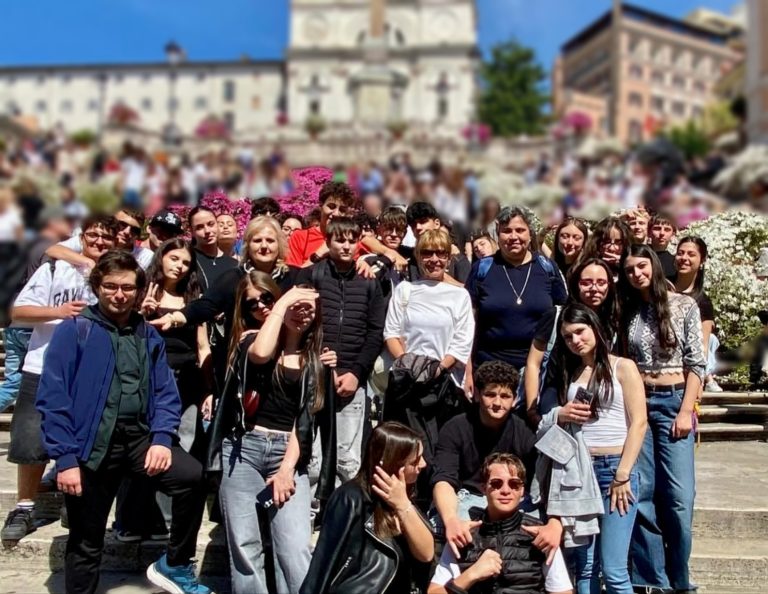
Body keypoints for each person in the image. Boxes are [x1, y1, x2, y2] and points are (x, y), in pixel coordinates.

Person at [34, 250, 210, 594]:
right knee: (86, 541)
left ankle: (174, 564)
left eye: (128, 288)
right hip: (91, 445)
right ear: (97, 287)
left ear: (139, 290)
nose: (119, 294)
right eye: (111, 286)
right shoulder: (75, 331)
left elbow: (165, 393)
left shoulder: (147, 335)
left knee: (192, 478)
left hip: (139, 439)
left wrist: (162, 438)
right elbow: (52, 399)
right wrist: (65, 459)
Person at [1, 214, 117, 547]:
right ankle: (24, 507)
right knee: (29, 440)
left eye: (105, 238)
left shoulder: (113, 275)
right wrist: (60, 312)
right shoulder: (54, 268)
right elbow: (17, 313)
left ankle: (72, 499)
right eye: (93, 235)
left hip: (88, 373)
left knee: (82, 440)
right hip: (43, 366)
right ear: (82, 236)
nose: (98, 242)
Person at [208, 276, 328, 593]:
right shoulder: (252, 340)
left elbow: (303, 423)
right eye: (295, 306)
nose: (302, 313)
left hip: (287, 454)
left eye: (309, 309)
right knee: (245, 546)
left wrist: (287, 469)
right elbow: (261, 352)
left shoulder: (316, 363)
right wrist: (284, 302)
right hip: (244, 449)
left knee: (294, 548)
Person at [622, 245, 705, 594]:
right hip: (640, 403)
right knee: (643, 494)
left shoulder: (684, 305)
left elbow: (697, 363)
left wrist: (687, 409)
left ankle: (680, 579)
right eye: (629, 269)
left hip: (673, 403)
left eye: (641, 266)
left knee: (679, 497)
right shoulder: (628, 310)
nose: (636, 273)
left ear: (654, 265)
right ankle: (651, 580)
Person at [549, 304, 647, 594]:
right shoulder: (573, 371)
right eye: (568, 337)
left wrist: (623, 474)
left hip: (616, 467)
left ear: (594, 328)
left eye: (580, 331)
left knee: (614, 568)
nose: (576, 340)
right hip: (580, 471)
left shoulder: (623, 366)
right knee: (586, 565)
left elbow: (639, 422)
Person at [431, 361, 566, 561]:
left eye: (505, 396)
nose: (497, 403)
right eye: (490, 394)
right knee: (441, 523)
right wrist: (451, 520)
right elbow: (443, 480)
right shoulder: (455, 428)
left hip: (512, 497)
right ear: (477, 394)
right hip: (467, 497)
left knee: (542, 527)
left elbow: (546, 482)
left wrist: (555, 523)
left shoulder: (525, 432)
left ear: (515, 399)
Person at [383, 229, 475, 501]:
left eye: (440, 253)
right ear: (418, 256)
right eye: (427, 253)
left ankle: (435, 506)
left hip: (443, 384)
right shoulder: (406, 290)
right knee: (404, 449)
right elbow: (392, 333)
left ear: (448, 258)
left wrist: (438, 369)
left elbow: (462, 340)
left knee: (437, 450)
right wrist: (408, 364)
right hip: (406, 384)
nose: (434, 259)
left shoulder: (459, 296)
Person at [150, 216, 290, 393]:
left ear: (279, 244)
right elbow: (206, 305)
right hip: (242, 366)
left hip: (280, 364)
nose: (264, 246)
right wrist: (175, 317)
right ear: (247, 245)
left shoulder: (293, 278)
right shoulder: (234, 277)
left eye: (270, 240)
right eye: (257, 240)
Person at [297, 218, 387, 485]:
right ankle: (309, 513)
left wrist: (356, 373)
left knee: (347, 459)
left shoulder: (369, 281)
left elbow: (374, 332)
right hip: (316, 374)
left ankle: (339, 515)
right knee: (311, 456)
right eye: (340, 240)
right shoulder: (313, 275)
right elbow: (301, 325)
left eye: (352, 240)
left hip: (352, 378)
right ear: (328, 242)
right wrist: (320, 364)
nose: (346, 246)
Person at [300, 422, 434, 594]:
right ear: (394, 463)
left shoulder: (405, 498)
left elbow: (427, 553)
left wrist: (403, 505)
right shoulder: (351, 499)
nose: (423, 464)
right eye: (415, 460)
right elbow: (325, 561)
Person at [428, 453, 573, 594]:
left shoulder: (540, 535)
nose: (505, 490)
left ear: (522, 490)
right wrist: (471, 575)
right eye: (496, 484)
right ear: (484, 488)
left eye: (514, 484)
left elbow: (562, 591)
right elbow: (434, 591)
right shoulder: (464, 535)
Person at [466, 207, 567, 389]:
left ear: (530, 234)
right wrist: (467, 372)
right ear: (498, 235)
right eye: (506, 231)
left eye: (520, 230)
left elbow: (563, 314)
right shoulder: (482, 269)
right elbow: (466, 324)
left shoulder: (547, 268)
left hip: (538, 371)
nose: (513, 237)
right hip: (489, 368)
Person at [525, 258, 622, 426]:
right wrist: (532, 409)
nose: (594, 288)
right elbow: (533, 362)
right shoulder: (556, 315)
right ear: (576, 284)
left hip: (598, 398)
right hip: (557, 392)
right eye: (586, 282)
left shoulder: (614, 321)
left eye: (601, 282)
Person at [0, 206, 73, 413]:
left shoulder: (27, 246)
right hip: (31, 323)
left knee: (17, 383)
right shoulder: (50, 249)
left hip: (16, 323)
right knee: (17, 384)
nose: (71, 226)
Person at [674, 236, 720, 392]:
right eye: (681, 253)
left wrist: (699, 381)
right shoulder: (661, 288)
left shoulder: (703, 302)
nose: (684, 258)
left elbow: (703, 346)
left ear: (702, 261)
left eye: (691, 254)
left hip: (683, 375)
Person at [46, 207, 155, 270]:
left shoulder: (144, 256)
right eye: (122, 224)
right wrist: (88, 262)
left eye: (134, 230)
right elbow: (52, 250)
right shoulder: (93, 237)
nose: (127, 232)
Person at [285, 181, 357, 267]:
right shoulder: (300, 237)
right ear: (321, 206)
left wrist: (362, 262)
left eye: (342, 209)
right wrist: (318, 254)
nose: (336, 214)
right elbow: (293, 278)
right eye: (331, 206)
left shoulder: (351, 241)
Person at [187, 206, 238, 291]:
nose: (207, 231)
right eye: (199, 227)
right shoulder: (188, 258)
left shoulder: (234, 264)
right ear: (192, 231)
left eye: (211, 224)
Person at [580, 217, 632, 282]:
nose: (612, 248)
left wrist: (624, 265)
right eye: (607, 242)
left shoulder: (632, 268)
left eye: (618, 242)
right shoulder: (585, 266)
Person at [648, 213, 677, 280]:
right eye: (657, 228)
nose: (662, 233)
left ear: (673, 234)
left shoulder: (675, 262)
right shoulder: (640, 255)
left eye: (667, 229)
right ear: (649, 232)